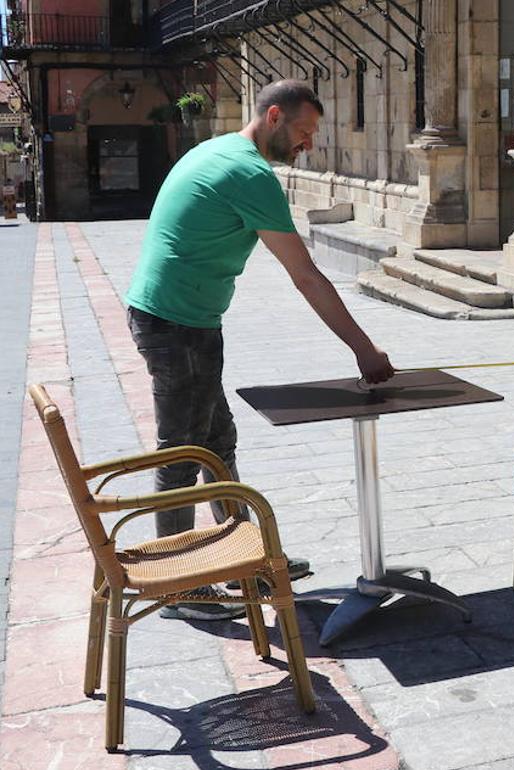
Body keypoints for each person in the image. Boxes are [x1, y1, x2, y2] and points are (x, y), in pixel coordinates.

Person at [126, 80, 395, 620]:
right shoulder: (251, 174)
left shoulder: (219, 148)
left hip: (182, 316)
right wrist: (365, 350)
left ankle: (241, 558)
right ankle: (180, 587)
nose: (308, 145)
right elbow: (306, 276)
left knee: (216, 439)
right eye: (302, 132)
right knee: (182, 450)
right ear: (273, 116)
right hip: (175, 322)